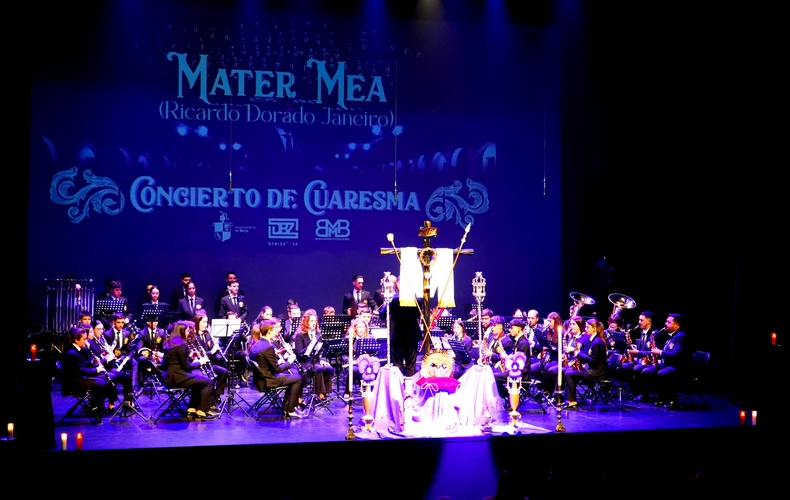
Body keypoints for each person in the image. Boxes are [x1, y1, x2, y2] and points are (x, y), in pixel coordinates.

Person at [161, 320, 216, 420]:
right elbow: (186, 367)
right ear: (182, 332)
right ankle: (202, 411)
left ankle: (192, 408)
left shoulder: (170, 343)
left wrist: (189, 357)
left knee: (198, 381)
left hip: (169, 377)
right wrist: (200, 362)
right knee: (208, 382)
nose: (188, 333)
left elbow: (175, 360)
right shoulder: (182, 345)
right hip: (177, 378)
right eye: (187, 331)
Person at [248, 319, 304, 417]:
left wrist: (276, 354)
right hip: (269, 381)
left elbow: (263, 359)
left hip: (259, 379)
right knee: (298, 378)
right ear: (269, 331)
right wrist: (290, 361)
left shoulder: (257, 345)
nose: (276, 332)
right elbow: (277, 369)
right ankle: (290, 409)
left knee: (292, 376)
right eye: (274, 330)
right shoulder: (268, 347)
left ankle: (286, 407)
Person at [61, 327, 117, 419]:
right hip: (74, 382)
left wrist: (92, 362)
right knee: (102, 383)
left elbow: (81, 365)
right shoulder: (72, 353)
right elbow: (81, 370)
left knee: (105, 380)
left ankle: (96, 406)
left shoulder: (76, 349)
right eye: (84, 339)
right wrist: (97, 370)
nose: (86, 341)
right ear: (76, 340)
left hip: (78, 378)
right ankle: (95, 407)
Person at [638, 313, 691, 409]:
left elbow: (676, 354)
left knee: (661, 373)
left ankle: (673, 400)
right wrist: (658, 360)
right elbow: (668, 352)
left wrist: (660, 352)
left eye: (668, 322)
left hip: (678, 366)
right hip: (668, 364)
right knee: (647, 372)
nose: (665, 324)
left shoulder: (681, 336)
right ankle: (662, 396)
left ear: (676, 324)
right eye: (666, 321)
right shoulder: (670, 335)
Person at [379, 276, 421, 376]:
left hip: (398, 336)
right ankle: (410, 384)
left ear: (397, 284)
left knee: (398, 365)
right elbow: (418, 315)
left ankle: (399, 384)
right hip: (412, 336)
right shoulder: (417, 300)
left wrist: (386, 302)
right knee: (411, 365)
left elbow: (382, 315)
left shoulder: (393, 299)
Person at [563, 318, 609, 409]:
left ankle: (572, 401)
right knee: (569, 370)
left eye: (588, 327)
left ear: (594, 329)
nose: (585, 329)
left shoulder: (597, 342)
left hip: (597, 373)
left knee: (569, 373)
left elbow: (593, 361)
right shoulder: (592, 340)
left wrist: (579, 354)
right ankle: (566, 398)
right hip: (591, 369)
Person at [293, 309, 334, 400]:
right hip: (304, 362)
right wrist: (309, 348)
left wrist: (321, 359)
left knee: (329, 368)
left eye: (315, 321)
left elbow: (320, 350)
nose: (314, 323)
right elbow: (298, 352)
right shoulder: (300, 335)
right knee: (318, 368)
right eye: (311, 321)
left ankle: (325, 393)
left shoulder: (318, 334)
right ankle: (319, 393)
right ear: (306, 322)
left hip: (315, 360)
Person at [192, 311, 228, 410]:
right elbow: (199, 354)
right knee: (211, 377)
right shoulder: (194, 337)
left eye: (206, 322)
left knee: (224, 371)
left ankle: (216, 396)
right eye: (203, 322)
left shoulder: (207, 334)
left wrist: (214, 345)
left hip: (208, 364)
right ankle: (207, 402)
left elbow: (210, 352)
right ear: (197, 322)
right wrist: (212, 351)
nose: (206, 324)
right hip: (199, 366)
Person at [623, 310, 659, 401]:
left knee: (637, 368)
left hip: (650, 362)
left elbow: (653, 352)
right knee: (623, 367)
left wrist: (637, 352)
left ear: (649, 321)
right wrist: (632, 348)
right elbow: (641, 349)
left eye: (641, 320)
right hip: (641, 360)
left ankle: (644, 394)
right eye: (639, 320)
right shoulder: (642, 332)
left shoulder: (655, 333)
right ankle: (636, 392)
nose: (639, 322)